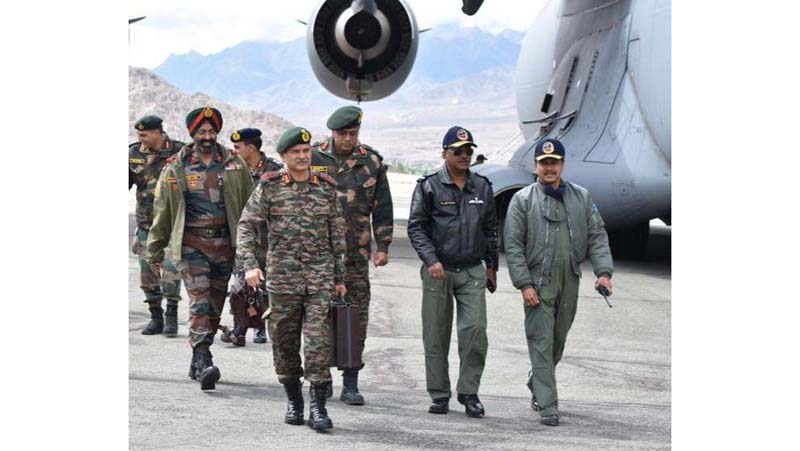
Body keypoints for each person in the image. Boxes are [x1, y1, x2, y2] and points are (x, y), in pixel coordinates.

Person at [237, 126, 347, 431]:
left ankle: (318, 406)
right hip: (283, 279)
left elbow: (337, 234)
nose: (302, 156)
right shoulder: (270, 187)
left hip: (319, 278)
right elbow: (246, 225)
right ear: (284, 156)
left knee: (318, 342)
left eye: (306, 151)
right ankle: (294, 399)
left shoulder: (325, 187)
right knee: (284, 341)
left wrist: (340, 277)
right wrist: (250, 265)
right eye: (295, 152)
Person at [503, 138, 614, 426]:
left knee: (557, 342)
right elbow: (513, 246)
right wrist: (524, 284)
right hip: (538, 282)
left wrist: (603, 272)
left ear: (563, 165)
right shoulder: (522, 200)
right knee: (541, 341)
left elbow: (597, 235)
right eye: (544, 163)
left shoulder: (582, 197)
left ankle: (537, 381)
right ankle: (548, 405)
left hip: (570, 280)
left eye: (554, 163)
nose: (549, 168)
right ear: (535, 166)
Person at [145, 107, 253, 391]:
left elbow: (250, 207)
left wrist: (254, 250)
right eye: (202, 132)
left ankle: (197, 357)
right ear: (192, 134)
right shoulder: (176, 167)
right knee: (199, 300)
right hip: (192, 245)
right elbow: (163, 211)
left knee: (215, 304)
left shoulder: (234, 165)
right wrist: (154, 250)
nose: (207, 136)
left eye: (211, 131)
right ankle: (204, 357)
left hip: (225, 245)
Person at [407, 126, 498, 418]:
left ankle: (469, 392)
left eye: (468, 150)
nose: (464, 155)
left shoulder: (482, 187)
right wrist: (431, 259)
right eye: (457, 151)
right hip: (439, 271)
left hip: (471, 271)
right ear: (444, 153)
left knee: (475, 332)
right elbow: (416, 227)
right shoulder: (429, 186)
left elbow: (490, 229)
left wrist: (492, 266)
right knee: (436, 335)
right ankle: (439, 394)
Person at [311, 105, 393, 405]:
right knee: (318, 319)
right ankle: (321, 380)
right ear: (332, 133)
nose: (349, 139)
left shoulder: (371, 162)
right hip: (319, 255)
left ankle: (350, 382)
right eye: (343, 134)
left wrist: (383, 246)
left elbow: (382, 207)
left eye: (353, 133)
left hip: (355, 256)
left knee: (355, 318)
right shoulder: (313, 158)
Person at [222, 127, 283, 345]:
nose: (234, 151)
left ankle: (260, 328)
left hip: (268, 241)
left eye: (238, 147)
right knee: (240, 287)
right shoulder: (233, 170)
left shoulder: (274, 171)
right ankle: (240, 329)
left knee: (264, 287)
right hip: (245, 239)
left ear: (250, 148)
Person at [129, 115, 185, 336]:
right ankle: (155, 317)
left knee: (171, 270)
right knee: (147, 274)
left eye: (144, 135)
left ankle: (171, 314)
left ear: (157, 132)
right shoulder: (133, 154)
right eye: (138, 135)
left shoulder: (180, 152)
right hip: (146, 224)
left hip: (172, 224)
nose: (140, 139)